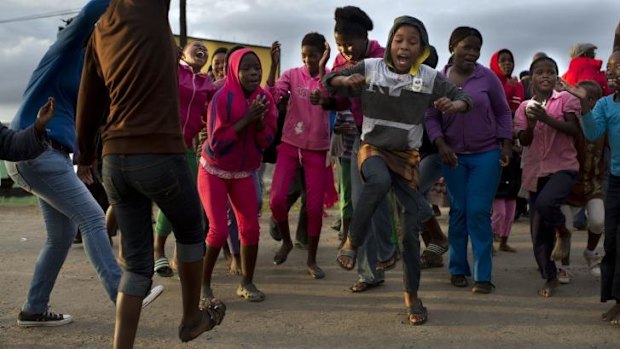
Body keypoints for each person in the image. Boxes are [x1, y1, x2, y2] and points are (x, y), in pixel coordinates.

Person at [76, 0, 225, 346]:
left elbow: (89, 97)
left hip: (115, 160)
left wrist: (85, 154)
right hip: (158, 153)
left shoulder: (100, 29)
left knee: (136, 265)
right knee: (192, 230)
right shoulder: (152, 6)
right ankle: (190, 318)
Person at [325, 15, 470, 324]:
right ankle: (352, 241)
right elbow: (329, 82)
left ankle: (412, 297)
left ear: (421, 49)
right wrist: (342, 81)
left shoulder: (429, 78)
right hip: (373, 148)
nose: (404, 46)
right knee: (376, 182)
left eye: (412, 42)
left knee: (409, 231)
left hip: (406, 157)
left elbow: (462, 97)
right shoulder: (371, 67)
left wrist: (455, 105)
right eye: (399, 40)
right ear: (390, 43)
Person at [5, 0, 125, 328]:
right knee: (93, 218)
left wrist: (82, 160)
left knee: (60, 236)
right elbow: (89, 14)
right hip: (36, 151)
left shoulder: (85, 70)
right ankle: (123, 295)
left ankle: (34, 308)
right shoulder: (65, 48)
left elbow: (82, 120)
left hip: (47, 155)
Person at [312, 5, 396, 293]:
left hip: (394, 141)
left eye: (349, 42)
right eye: (339, 43)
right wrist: (326, 97)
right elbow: (335, 95)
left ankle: (398, 253)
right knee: (363, 203)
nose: (344, 49)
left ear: (364, 38)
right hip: (364, 139)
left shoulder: (385, 56)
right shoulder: (339, 62)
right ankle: (370, 272)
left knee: (398, 203)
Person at [426, 27, 512, 294]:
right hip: (453, 157)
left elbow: (503, 112)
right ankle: (457, 269)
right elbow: (430, 117)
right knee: (459, 211)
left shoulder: (487, 78)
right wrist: (440, 144)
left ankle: (483, 275)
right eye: (467, 47)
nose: (473, 53)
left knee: (478, 211)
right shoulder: (439, 80)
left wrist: (506, 143)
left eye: (477, 48)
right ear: (453, 46)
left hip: (486, 153)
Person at [197, 48, 277, 303]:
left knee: (251, 228)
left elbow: (266, 141)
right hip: (213, 170)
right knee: (218, 231)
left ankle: (247, 282)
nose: (253, 72)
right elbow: (217, 143)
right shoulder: (222, 98)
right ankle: (204, 286)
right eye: (247, 68)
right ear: (234, 70)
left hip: (243, 172)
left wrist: (261, 122)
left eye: (257, 68)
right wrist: (247, 119)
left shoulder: (264, 98)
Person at [514, 56, 581, 298]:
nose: (545, 76)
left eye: (550, 72)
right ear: (532, 77)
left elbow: (574, 130)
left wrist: (547, 119)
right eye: (540, 72)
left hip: (563, 166)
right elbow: (523, 141)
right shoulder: (524, 107)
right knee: (538, 232)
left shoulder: (566, 100)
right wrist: (531, 124)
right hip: (535, 170)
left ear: (556, 76)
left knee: (546, 202)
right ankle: (550, 276)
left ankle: (563, 232)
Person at [267, 33, 331, 279]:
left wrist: (324, 70)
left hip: (317, 148)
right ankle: (286, 242)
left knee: (314, 208)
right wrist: (273, 65)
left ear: (322, 55)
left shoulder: (328, 77)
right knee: (276, 200)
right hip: (290, 144)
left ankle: (312, 260)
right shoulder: (292, 75)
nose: (308, 61)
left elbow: (328, 98)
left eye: (313, 56)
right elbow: (273, 96)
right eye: (304, 56)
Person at [153, 40, 215, 278]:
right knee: (170, 197)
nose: (202, 51)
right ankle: (158, 247)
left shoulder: (206, 82)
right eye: (197, 47)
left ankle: (181, 255)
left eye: (205, 51)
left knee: (188, 201)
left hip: (186, 147)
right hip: (162, 142)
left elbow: (211, 108)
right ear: (182, 53)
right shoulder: (172, 70)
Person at [574, 49, 620, 325]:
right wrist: (585, 107)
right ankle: (616, 300)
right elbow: (592, 133)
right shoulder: (604, 104)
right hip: (616, 180)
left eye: (619, 66)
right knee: (612, 241)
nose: (612, 71)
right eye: (611, 66)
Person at [558, 80, 605, 283]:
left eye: (591, 99)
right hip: (567, 183)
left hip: (593, 183)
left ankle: (591, 253)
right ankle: (563, 266)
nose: (586, 102)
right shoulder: (570, 123)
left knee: (597, 220)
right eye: (580, 97)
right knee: (566, 228)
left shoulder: (603, 124)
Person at [489, 48, 526, 253]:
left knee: (511, 202)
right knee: (498, 204)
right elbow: (499, 111)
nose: (507, 64)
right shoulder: (492, 84)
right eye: (502, 60)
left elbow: (519, 113)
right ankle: (490, 237)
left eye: (510, 60)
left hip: (515, 147)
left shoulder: (517, 86)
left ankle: (503, 240)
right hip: (497, 146)